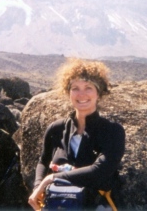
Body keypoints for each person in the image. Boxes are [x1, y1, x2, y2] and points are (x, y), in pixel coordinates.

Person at [28, 58, 125, 211]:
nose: (82, 94)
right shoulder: (56, 129)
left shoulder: (112, 131)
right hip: (57, 203)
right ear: (68, 92)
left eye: (88, 88)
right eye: (75, 88)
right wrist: (37, 187)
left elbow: (100, 171)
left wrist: (52, 178)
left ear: (99, 93)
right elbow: (43, 160)